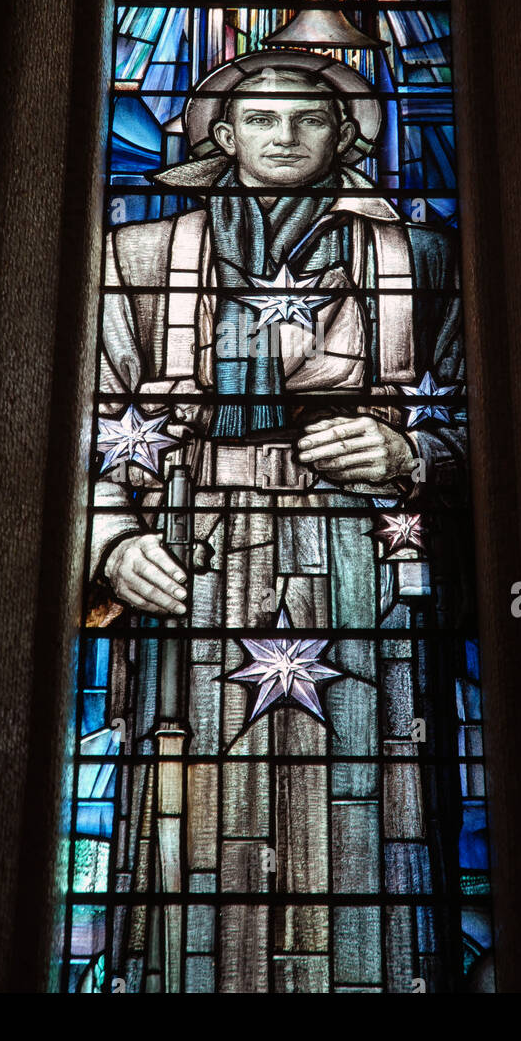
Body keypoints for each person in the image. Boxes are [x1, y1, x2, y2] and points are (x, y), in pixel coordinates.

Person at [92, 50, 466, 993]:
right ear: (222, 137)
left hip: (362, 567)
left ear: (346, 136)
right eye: (261, 120)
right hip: (191, 558)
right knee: (193, 804)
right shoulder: (135, 259)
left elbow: (498, 425)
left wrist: (416, 457)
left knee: (365, 803)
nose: (286, 138)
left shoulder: (421, 262)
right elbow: (75, 432)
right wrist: (111, 543)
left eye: (309, 120)